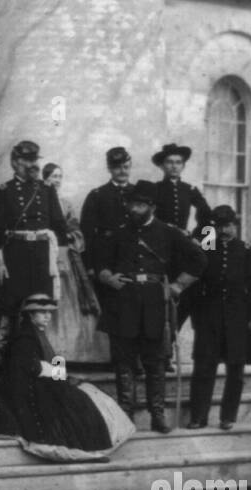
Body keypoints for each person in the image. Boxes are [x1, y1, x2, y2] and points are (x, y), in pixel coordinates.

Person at [96, 180, 206, 433]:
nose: (133, 209)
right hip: (123, 303)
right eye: (131, 204)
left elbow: (199, 259)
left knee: (155, 363)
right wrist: (108, 278)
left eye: (139, 205)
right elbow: (99, 261)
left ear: (151, 207)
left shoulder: (168, 233)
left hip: (154, 303)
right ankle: (126, 416)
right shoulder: (119, 233)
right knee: (123, 364)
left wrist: (178, 285)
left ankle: (157, 415)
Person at [0, 294, 134, 462]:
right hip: (28, 389)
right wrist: (59, 374)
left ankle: (92, 446)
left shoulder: (36, 333)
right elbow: (32, 367)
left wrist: (60, 374)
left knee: (85, 393)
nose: (47, 316)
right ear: (30, 315)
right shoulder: (25, 337)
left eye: (49, 313)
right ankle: (83, 450)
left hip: (39, 381)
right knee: (76, 401)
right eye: (41, 312)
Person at [0, 139, 69, 353]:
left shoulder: (46, 189)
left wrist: (60, 260)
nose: (33, 165)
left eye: (35, 160)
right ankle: (8, 360)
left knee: (43, 310)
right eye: (27, 160)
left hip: (43, 257)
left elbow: (60, 227)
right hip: (16, 256)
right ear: (15, 162)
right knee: (12, 309)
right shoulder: (4, 191)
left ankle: (44, 358)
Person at [187, 205, 251, 430]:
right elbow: (196, 282)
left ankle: (228, 417)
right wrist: (196, 315)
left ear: (235, 226)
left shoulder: (245, 250)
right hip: (209, 317)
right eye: (219, 226)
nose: (225, 231)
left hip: (237, 318)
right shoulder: (207, 247)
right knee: (203, 367)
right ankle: (198, 417)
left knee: (235, 369)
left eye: (229, 226)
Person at [80, 146, 139, 410]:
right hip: (109, 269)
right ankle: (120, 371)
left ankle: (133, 364)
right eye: (117, 167)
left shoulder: (140, 195)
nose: (122, 170)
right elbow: (88, 237)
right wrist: (96, 269)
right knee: (116, 324)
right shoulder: (98, 196)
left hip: (136, 267)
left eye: (125, 165)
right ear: (109, 168)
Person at [41, 162, 99, 359]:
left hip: (65, 256)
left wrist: (69, 235)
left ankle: (71, 353)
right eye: (52, 176)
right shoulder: (39, 201)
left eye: (59, 176)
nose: (56, 180)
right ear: (44, 178)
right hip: (44, 256)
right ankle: (48, 349)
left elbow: (76, 229)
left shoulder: (66, 204)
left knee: (70, 299)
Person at [152, 141, 211, 336]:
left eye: (178, 162)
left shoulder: (189, 189)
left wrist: (198, 240)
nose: (174, 166)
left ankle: (171, 339)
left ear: (183, 166)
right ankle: (160, 351)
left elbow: (207, 215)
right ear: (162, 165)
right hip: (160, 247)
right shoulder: (155, 189)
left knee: (187, 294)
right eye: (169, 162)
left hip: (182, 248)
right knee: (158, 298)